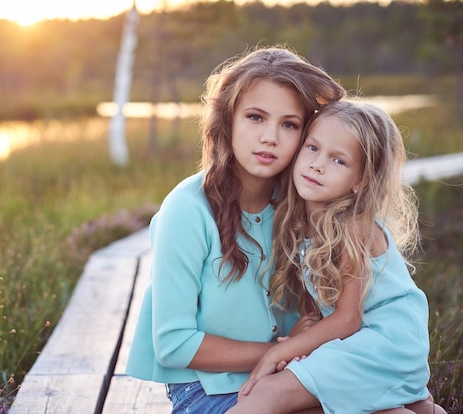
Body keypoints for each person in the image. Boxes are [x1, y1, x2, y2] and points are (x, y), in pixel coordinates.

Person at [125, 45, 345, 414]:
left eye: (289, 124)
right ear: (227, 120)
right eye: (256, 117)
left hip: (295, 376)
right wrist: (282, 350)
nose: (270, 137)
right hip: (208, 392)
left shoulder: (306, 204)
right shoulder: (187, 209)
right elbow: (173, 344)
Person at [227, 100, 446, 414]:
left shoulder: (355, 226)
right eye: (312, 148)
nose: (318, 165)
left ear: (362, 180)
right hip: (373, 345)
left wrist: (278, 353)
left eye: (339, 161)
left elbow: (347, 318)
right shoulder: (306, 222)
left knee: (266, 394)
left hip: (384, 344)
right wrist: (306, 339)